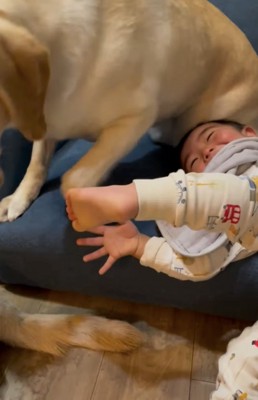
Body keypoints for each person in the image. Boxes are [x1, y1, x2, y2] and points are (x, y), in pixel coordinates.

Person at [66, 120, 258, 399]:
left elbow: (241, 199)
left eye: (212, 136)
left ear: (250, 133)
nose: (206, 152)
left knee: (244, 196)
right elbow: (201, 263)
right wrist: (139, 245)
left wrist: (138, 198)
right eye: (194, 162)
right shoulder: (227, 224)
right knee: (241, 363)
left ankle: (138, 197)